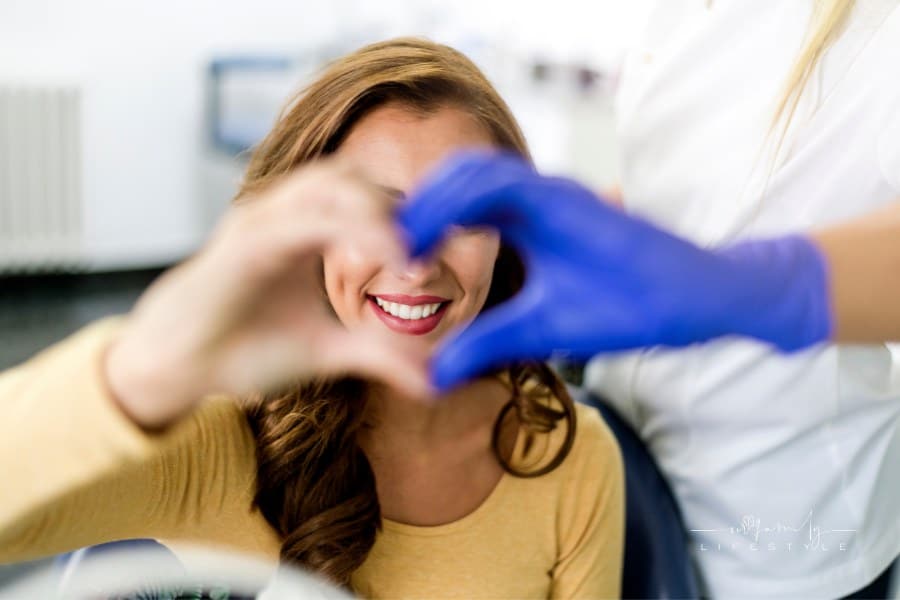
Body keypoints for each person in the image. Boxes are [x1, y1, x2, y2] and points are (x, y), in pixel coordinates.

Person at [0, 39, 624, 598]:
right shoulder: (227, 441)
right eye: (376, 213)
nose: (416, 266)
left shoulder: (568, 455)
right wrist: (147, 364)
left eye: (464, 216)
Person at [399, 2, 900, 597]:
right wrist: (561, 236)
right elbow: (696, 193)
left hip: (780, 529)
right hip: (628, 462)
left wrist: (740, 286)